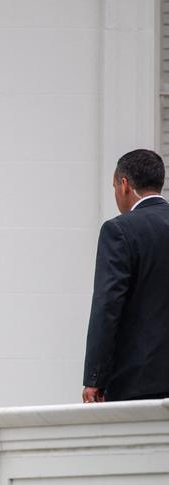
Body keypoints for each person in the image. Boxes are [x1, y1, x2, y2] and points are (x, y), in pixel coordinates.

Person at [83, 149, 169, 403]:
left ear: (124, 185)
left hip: (137, 381)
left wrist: (94, 378)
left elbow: (107, 306)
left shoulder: (119, 230)